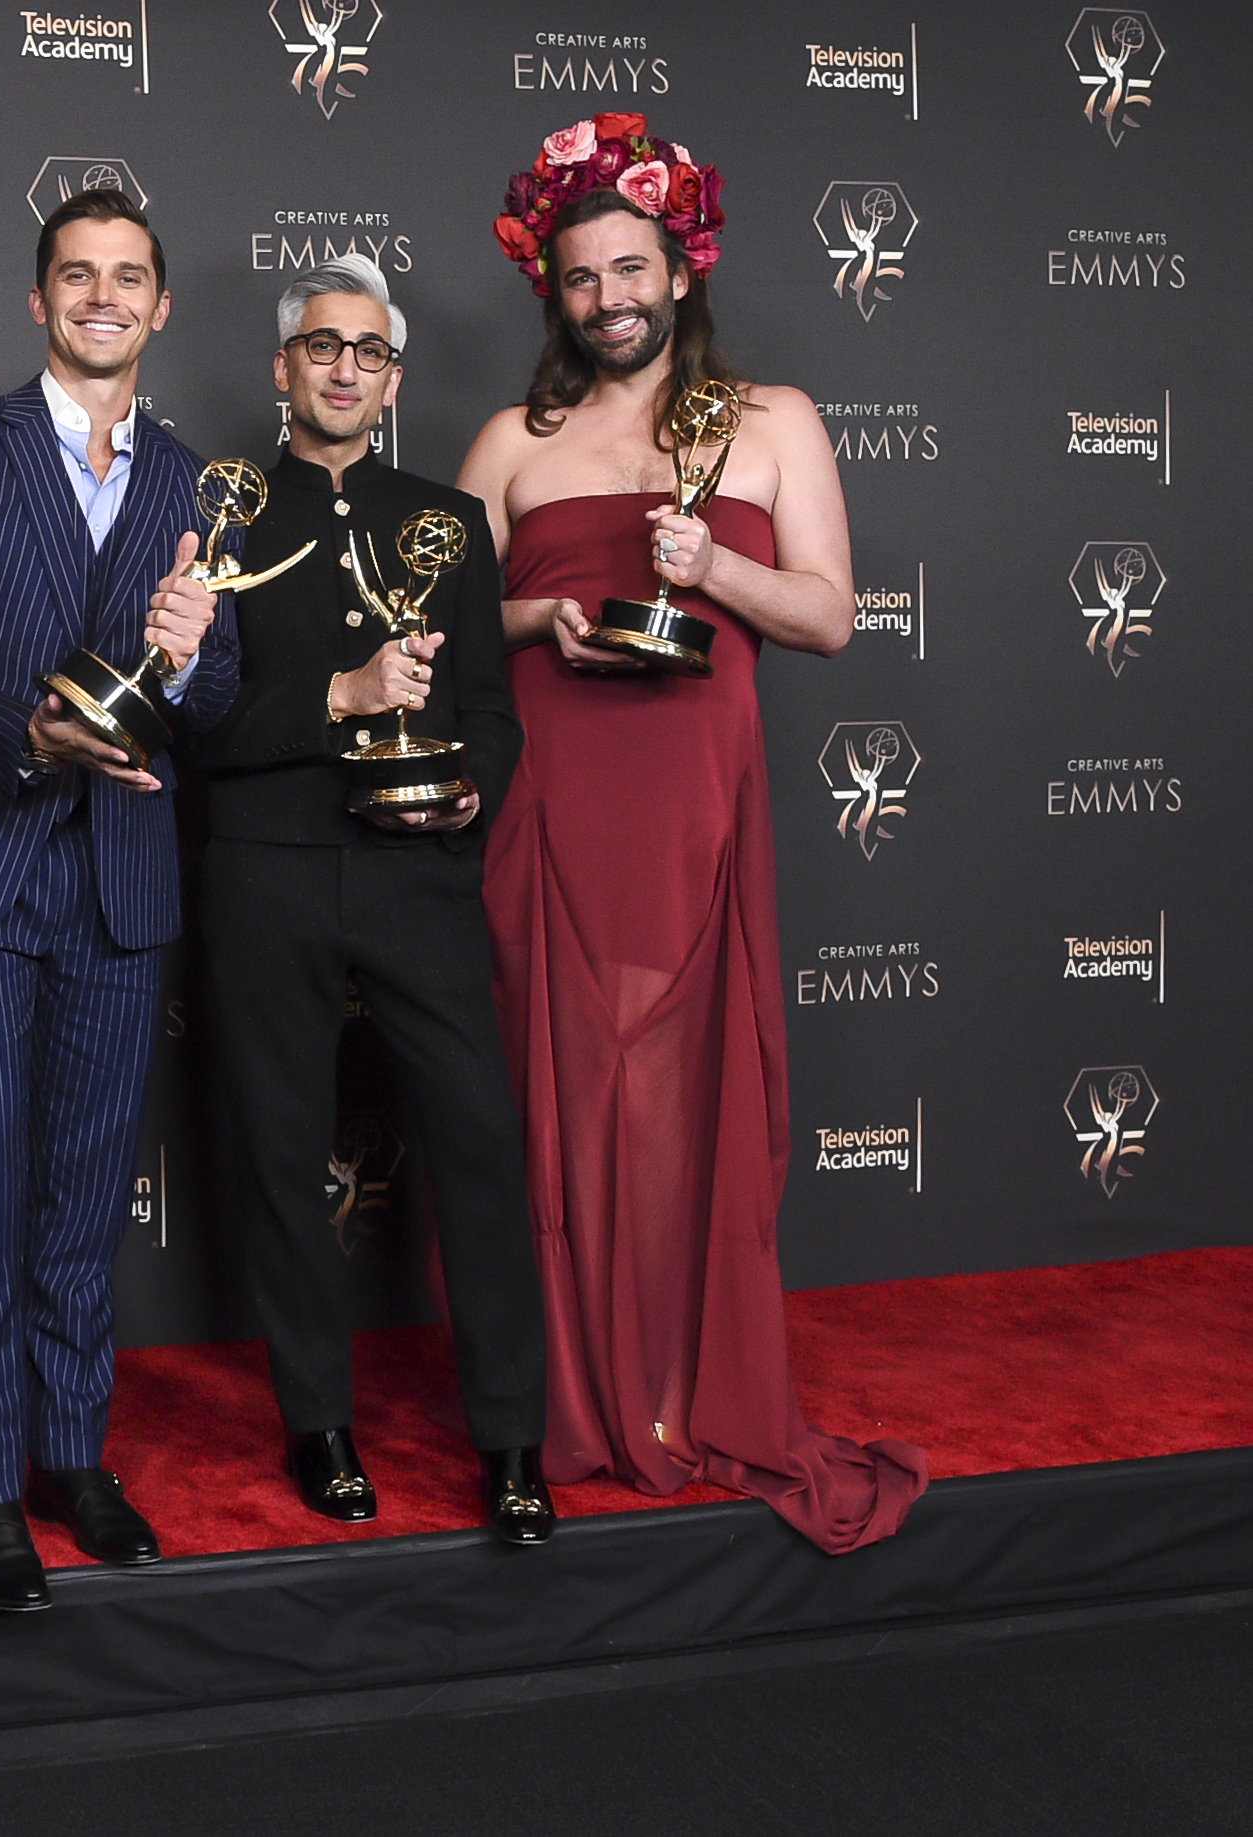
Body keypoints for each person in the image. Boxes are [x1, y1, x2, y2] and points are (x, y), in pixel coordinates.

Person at [458, 116, 927, 1552]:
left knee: (685, 1101)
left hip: (694, 814)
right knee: (558, 1099)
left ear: (682, 267)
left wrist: (712, 564)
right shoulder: (508, 444)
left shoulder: (774, 420)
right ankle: (569, 1408)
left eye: (631, 269)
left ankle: (678, 1392)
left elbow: (833, 618)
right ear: (556, 294)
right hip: (547, 812)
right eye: (583, 278)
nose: (609, 298)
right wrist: (544, 614)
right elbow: (435, 622)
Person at [0, 189, 235, 1612]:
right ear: (37, 301)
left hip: (119, 883)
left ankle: (73, 1455)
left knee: (84, 1201)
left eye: (128, 277)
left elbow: (209, 697)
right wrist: (24, 733)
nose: (101, 296)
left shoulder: (205, 489)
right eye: (75, 274)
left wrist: (194, 660)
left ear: (161, 309)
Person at [195, 256, 554, 1543]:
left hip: (414, 871)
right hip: (265, 872)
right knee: (285, 1162)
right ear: (280, 367)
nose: (343, 369)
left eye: (367, 353)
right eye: (320, 347)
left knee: (479, 1148)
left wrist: (469, 799)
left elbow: (489, 712)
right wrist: (337, 699)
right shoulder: (220, 516)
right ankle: (320, 1425)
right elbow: (192, 723)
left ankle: (514, 1437)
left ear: (392, 380)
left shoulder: (443, 523)